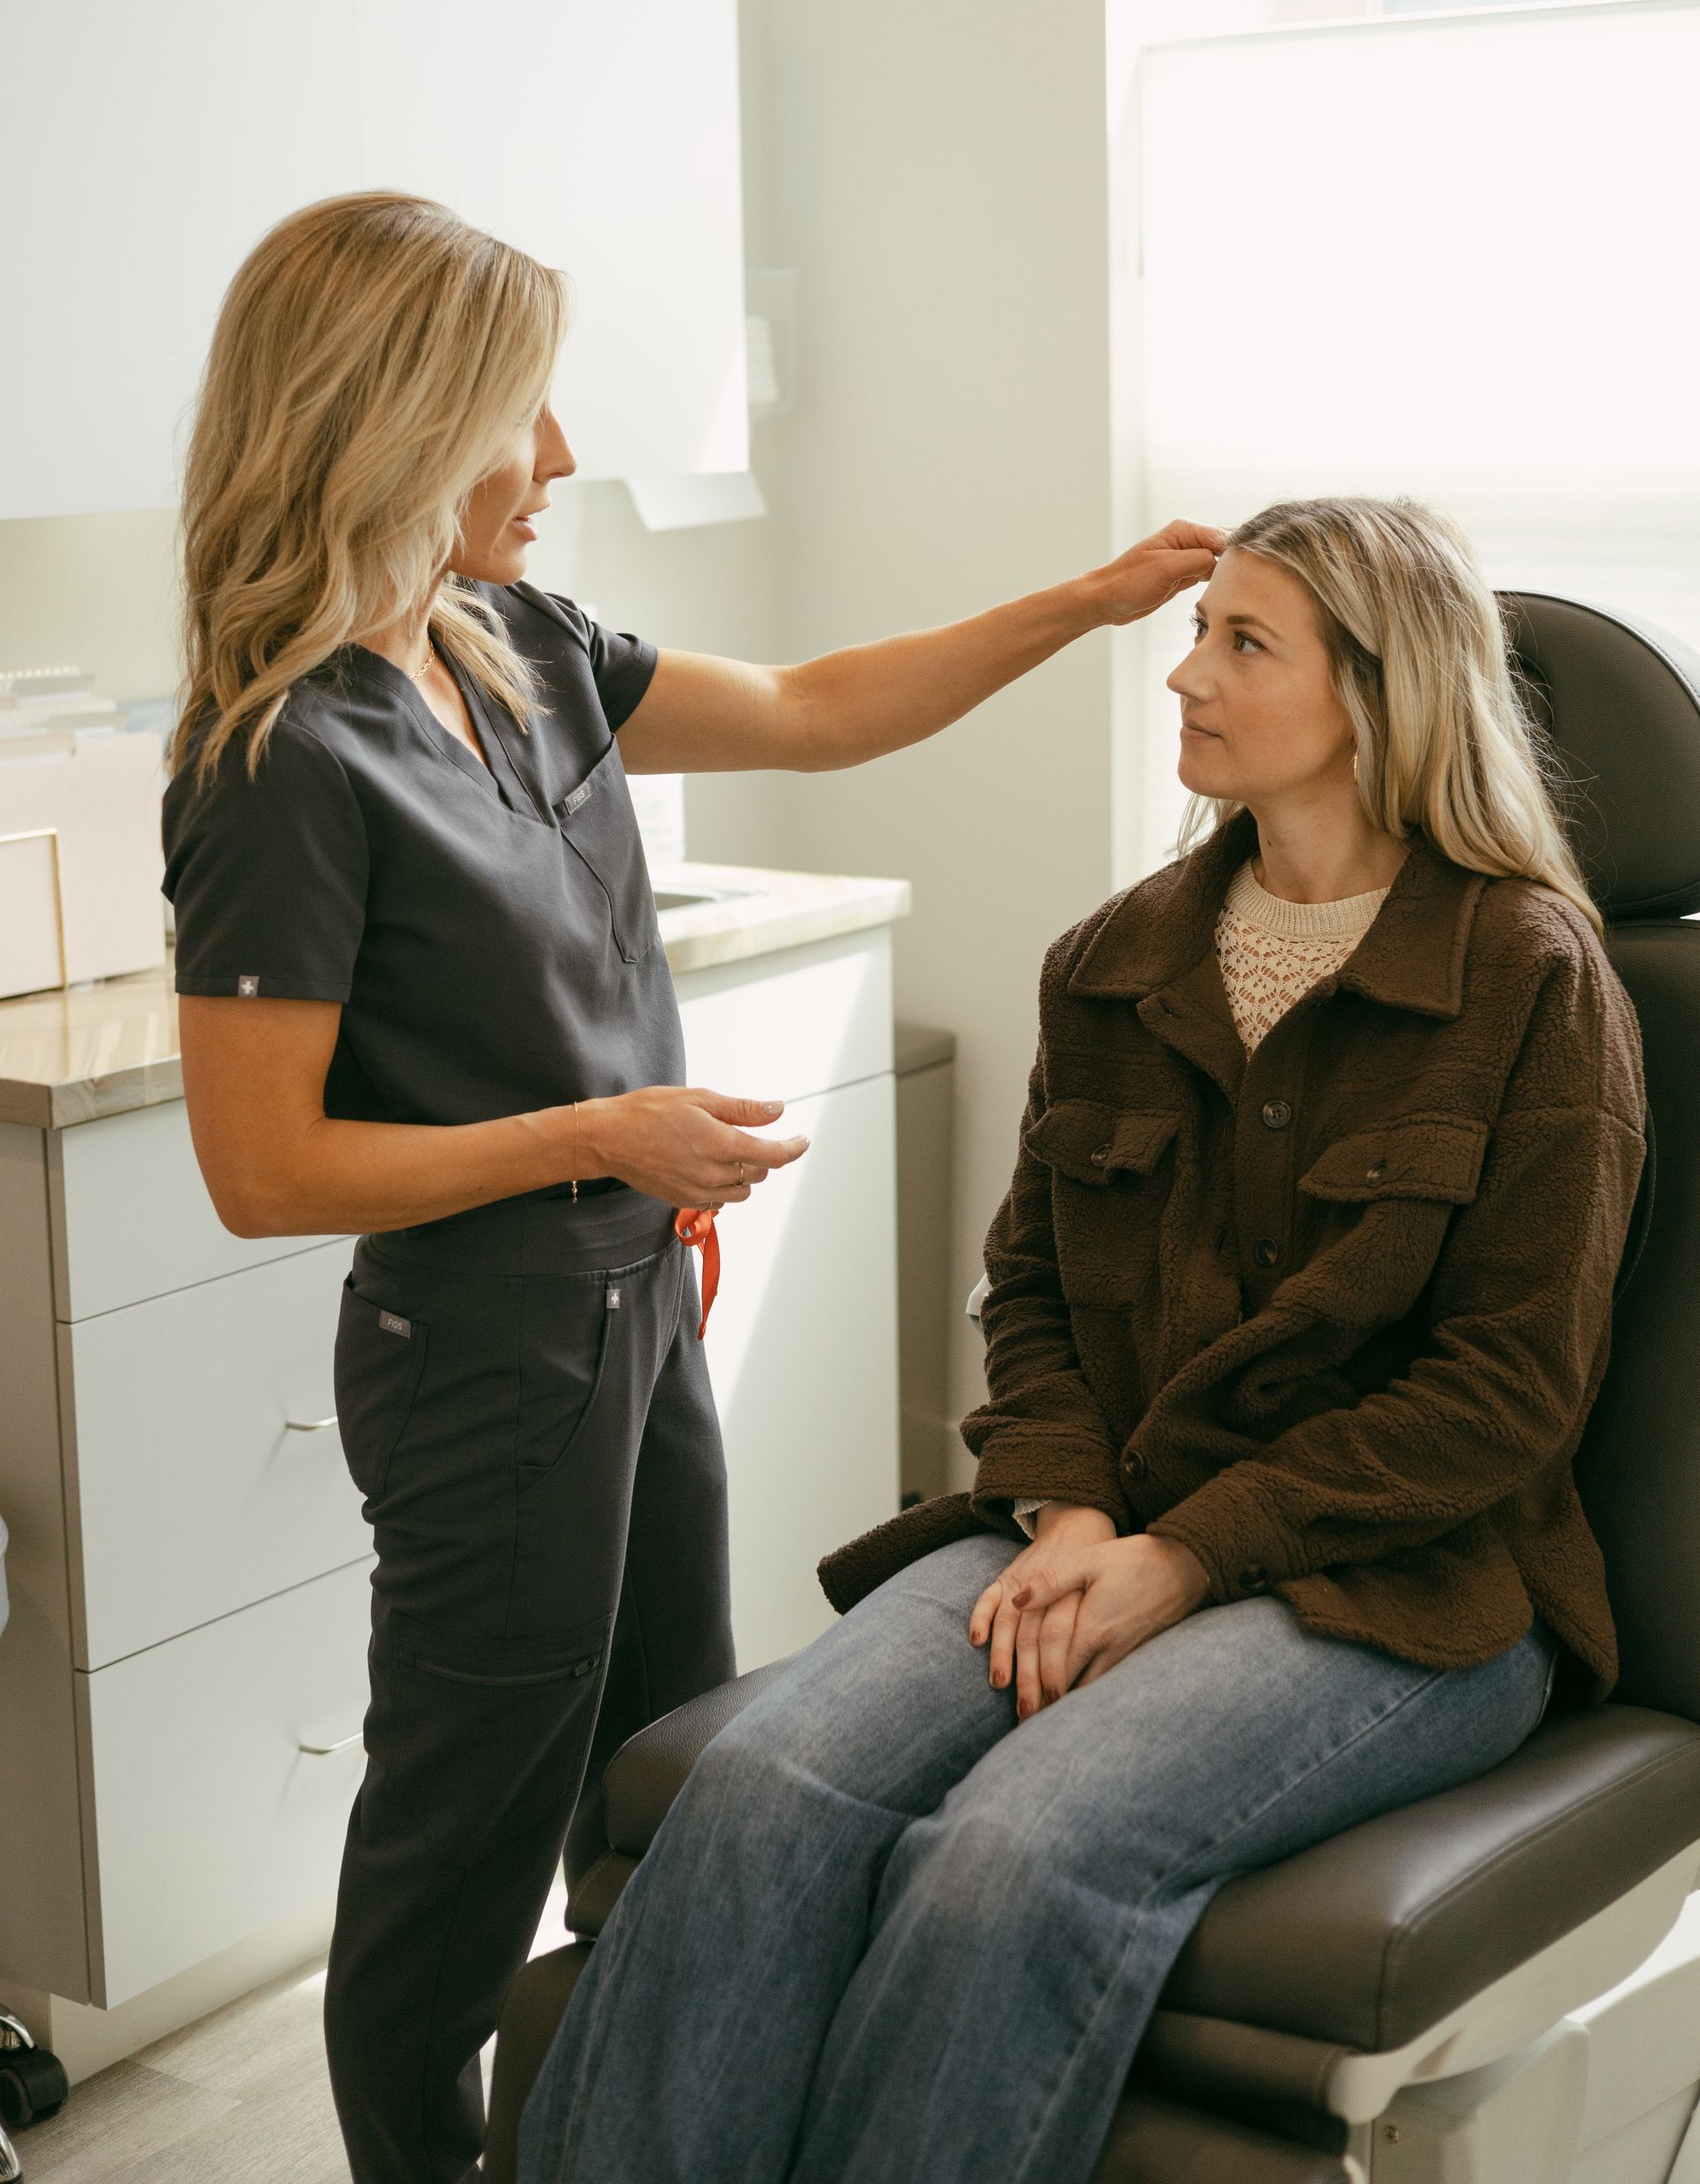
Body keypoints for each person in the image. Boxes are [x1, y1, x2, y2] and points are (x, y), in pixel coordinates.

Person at [159, 189, 1221, 2184]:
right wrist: (598, 1137)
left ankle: (627, 2135)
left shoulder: (523, 644)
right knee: (455, 1846)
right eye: (521, 415)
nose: (558, 460)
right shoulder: (280, 757)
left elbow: (819, 711)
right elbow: (261, 1165)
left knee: (668, 1777)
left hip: (633, 1310)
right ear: (393, 419)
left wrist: (1081, 605)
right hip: (478, 1355)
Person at [517, 495, 1646, 2184]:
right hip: (1098, 1526)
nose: (1180, 675)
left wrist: (1190, 1554)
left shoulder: (1533, 982)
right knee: (755, 1791)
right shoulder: (1115, 963)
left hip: (1398, 1584)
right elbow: (1030, 1295)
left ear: (1382, 691)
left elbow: (1506, 1395)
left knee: (1011, 1853)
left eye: (1240, 642)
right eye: (1196, 632)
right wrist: (1076, 1518)